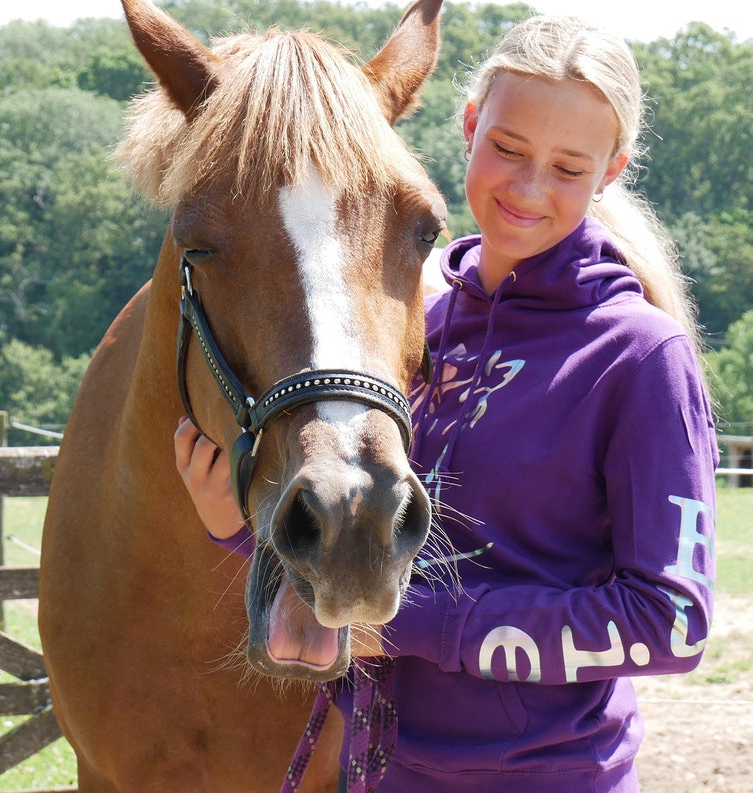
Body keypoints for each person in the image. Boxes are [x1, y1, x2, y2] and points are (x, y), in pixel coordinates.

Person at [175, 14, 718, 793]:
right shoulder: (412, 323)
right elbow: (361, 548)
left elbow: (672, 624)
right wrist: (240, 532)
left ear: (612, 170)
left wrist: (411, 627)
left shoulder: (639, 355)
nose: (528, 187)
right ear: (469, 126)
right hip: (383, 774)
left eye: (569, 167)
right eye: (507, 148)